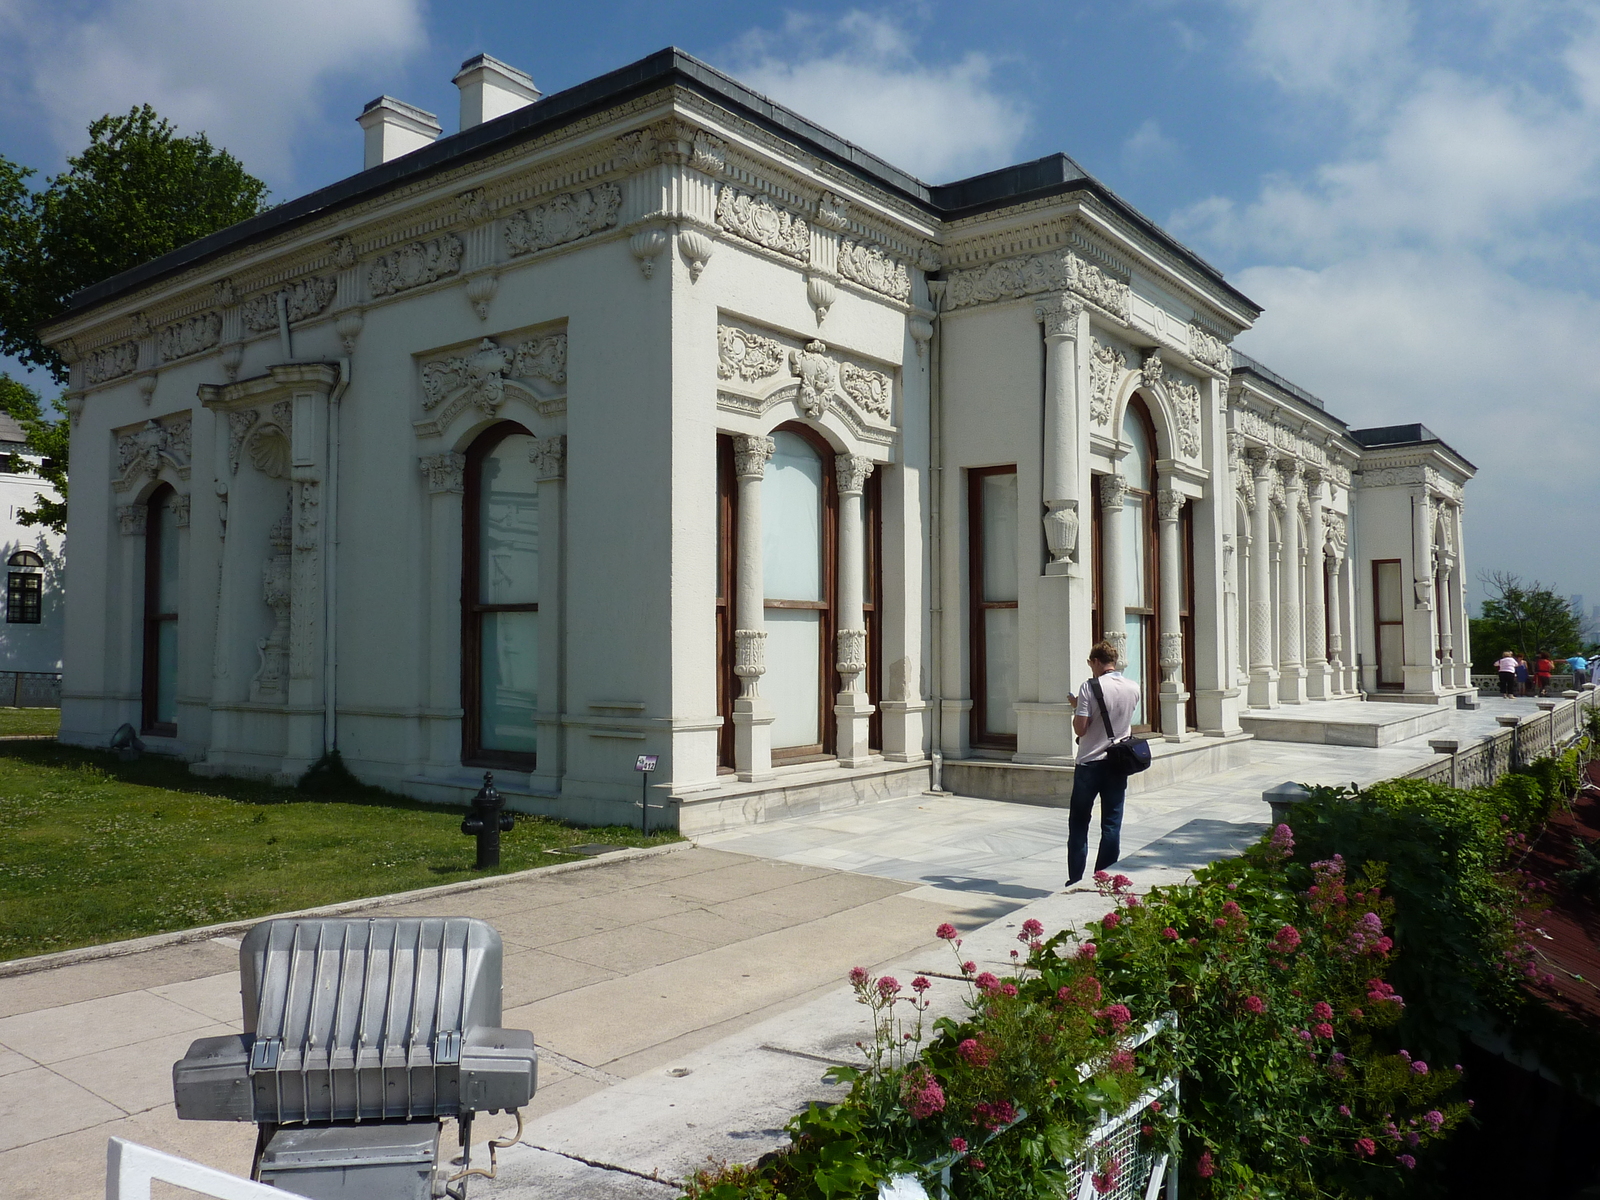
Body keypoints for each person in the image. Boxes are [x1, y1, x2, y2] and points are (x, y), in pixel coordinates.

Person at [1066, 641, 1142, 886]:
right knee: (1111, 823)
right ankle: (1103, 877)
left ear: (1097, 662)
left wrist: (1077, 708)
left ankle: (1075, 879)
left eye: (1090, 664)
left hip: (1090, 762)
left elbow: (1082, 727)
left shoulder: (1090, 687)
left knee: (1079, 823)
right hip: (1118, 763)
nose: (1091, 668)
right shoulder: (1133, 687)